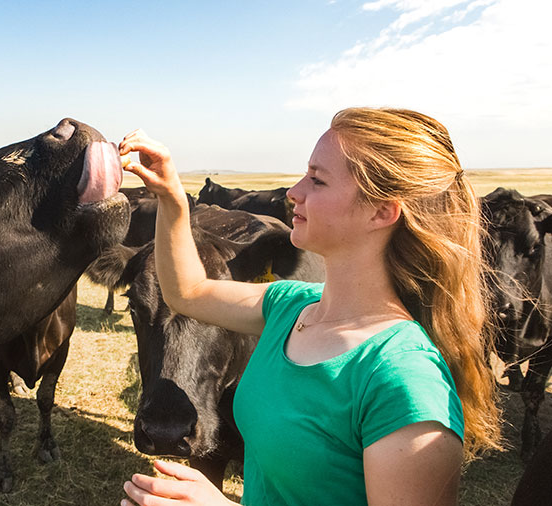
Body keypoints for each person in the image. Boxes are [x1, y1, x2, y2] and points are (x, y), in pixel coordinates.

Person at [118, 108, 501, 506]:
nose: (293, 192)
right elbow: (187, 291)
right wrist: (171, 196)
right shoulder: (291, 307)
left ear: (382, 211)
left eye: (317, 180)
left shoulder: (404, 381)